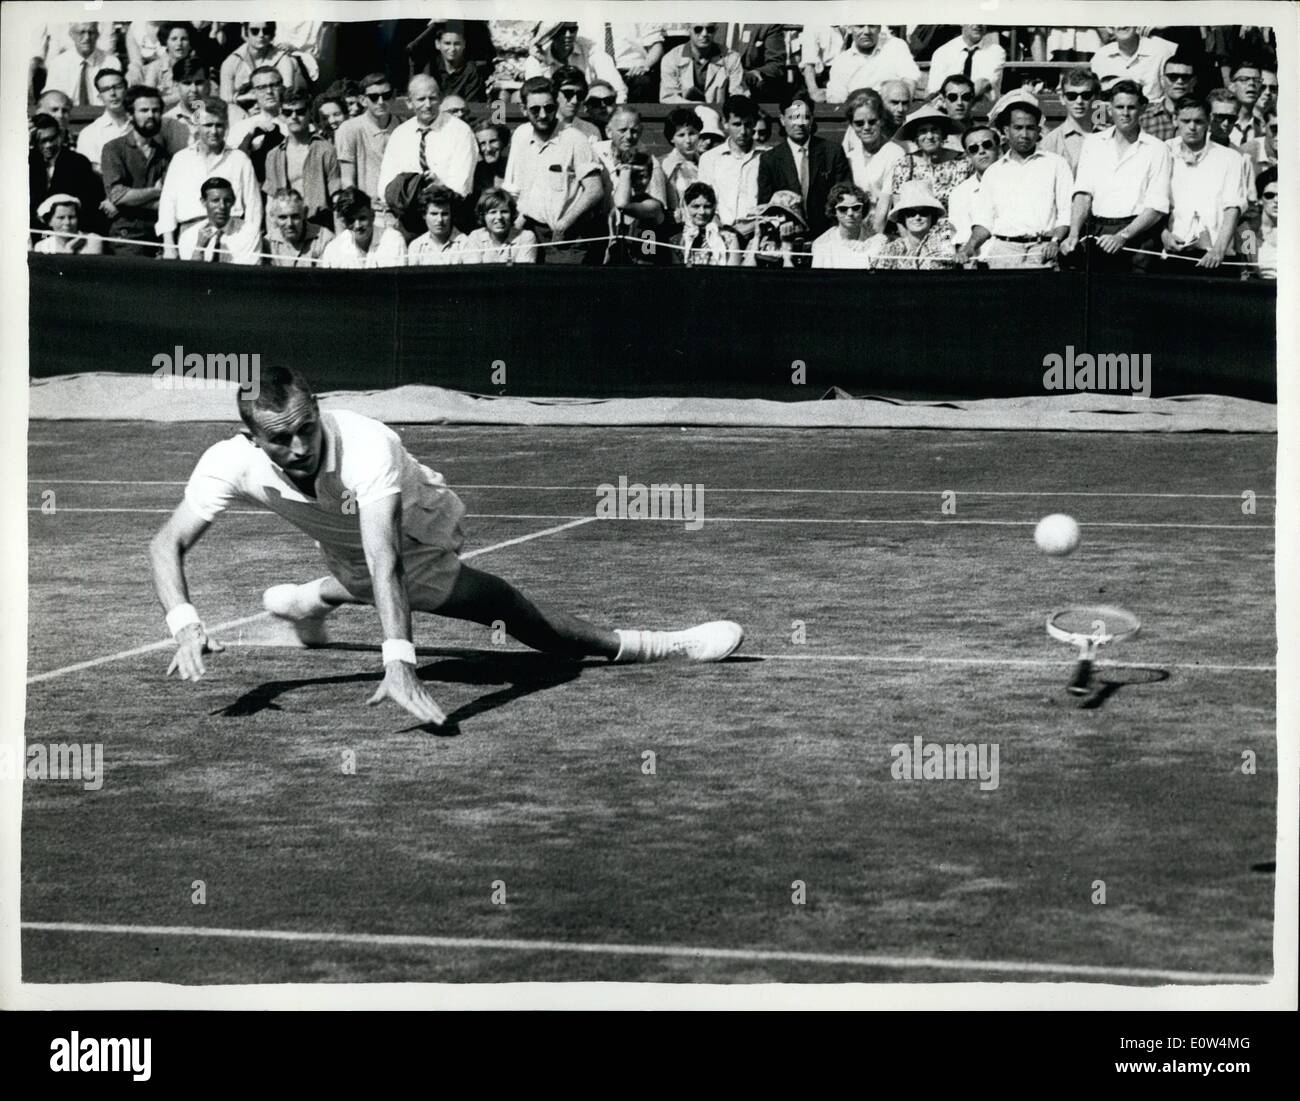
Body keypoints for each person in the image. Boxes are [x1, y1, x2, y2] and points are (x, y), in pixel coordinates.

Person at [151, 367, 744, 725]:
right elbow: (164, 545)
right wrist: (184, 623)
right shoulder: (227, 463)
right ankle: (311, 601)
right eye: (281, 439)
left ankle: (659, 646)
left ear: (319, 410)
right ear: (250, 439)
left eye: (308, 427)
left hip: (419, 521)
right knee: (443, 594)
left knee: (468, 599)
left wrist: (400, 664)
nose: (301, 446)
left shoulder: (365, 445)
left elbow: (387, 564)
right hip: (349, 543)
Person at [1061, 80, 1172, 273]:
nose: (1125, 113)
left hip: (1139, 235)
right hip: (1097, 231)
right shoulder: (1093, 143)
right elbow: (1083, 193)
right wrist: (1073, 233)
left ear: (1143, 108)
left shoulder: (1158, 149)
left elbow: (1157, 206)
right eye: (1119, 107)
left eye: (1131, 107)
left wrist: (1123, 236)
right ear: (1110, 109)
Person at [960, 94, 1073, 269]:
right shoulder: (994, 172)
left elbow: (1066, 213)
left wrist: (1054, 242)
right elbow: (984, 221)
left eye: (1030, 128)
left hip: (1042, 250)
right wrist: (969, 247)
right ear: (1006, 131)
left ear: (1038, 130)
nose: (1024, 134)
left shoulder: (1057, 164)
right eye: (1018, 127)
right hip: (1003, 251)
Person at [501, 77, 603, 264]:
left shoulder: (575, 139)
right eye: (535, 109)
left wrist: (564, 223)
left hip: (567, 237)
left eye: (548, 108)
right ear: (523, 109)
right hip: (530, 233)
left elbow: (595, 189)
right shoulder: (522, 139)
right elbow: (520, 191)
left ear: (556, 106)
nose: (542, 114)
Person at [157, 98, 262, 259]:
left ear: (226, 126)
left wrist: (249, 243)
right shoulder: (181, 159)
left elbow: (254, 207)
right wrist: (169, 247)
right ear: (197, 126)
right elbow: (167, 205)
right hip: (190, 235)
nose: (214, 131)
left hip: (233, 236)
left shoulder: (239, 159)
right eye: (208, 125)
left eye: (219, 125)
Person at [378, 74, 480, 240]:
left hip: (449, 220)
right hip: (410, 223)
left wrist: (437, 184)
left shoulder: (460, 131)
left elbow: (462, 186)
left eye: (433, 98)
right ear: (409, 103)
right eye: (421, 99)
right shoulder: (400, 134)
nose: (428, 105)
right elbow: (386, 185)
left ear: (440, 99)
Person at [1160, 98, 1249, 273]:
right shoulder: (1163, 151)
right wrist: (1164, 236)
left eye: (1198, 121)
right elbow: (1154, 200)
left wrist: (1219, 249)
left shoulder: (1230, 158)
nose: (1192, 127)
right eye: (1186, 121)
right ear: (1174, 120)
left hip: (1216, 256)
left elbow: (1233, 208)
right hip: (1173, 251)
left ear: (1208, 121)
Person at [757, 89, 852, 237]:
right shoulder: (770, 159)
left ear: (812, 119)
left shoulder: (832, 152)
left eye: (805, 117)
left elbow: (843, 196)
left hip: (828, 235)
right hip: (785, 237)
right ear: (782, 120)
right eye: (793, 117)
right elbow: (765, 206)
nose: (800, 123)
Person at [100, 85, 174, 256]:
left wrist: (126, 203)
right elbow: (118, 195)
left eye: (155, 110)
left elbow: (168, 202)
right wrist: (156, 191)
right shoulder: (114, 149)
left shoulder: (164, 155)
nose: (151, 115)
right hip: (127, 236)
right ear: (129, 114)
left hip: (157, 234)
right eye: (144, 110)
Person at [875, 104, 970, 232]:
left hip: (957, 231)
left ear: (943, 134)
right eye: (923, 131)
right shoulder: (904, 165)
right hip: (917, 234)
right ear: (916, 137)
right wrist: (911, 245)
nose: (929, 136)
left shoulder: (963, 162)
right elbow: (900, 214)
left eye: (934, 130)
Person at [593, 107, 670, 258]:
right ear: (609, 131)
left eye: (634, 131)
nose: (629, 136)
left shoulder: (648, 162)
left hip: (640, 239)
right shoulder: (595, 152)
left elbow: (655, 212)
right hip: (600, 233)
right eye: (622, 130)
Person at [263, 91, 340, 236]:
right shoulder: (273, 155)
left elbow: (336, 199)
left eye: (300, 111)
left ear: (310, 113)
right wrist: (272, 238)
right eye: (288, 112)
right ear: (281, 114)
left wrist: (339, 238)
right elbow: (271, 204)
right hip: (287, 230)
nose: (294, 117)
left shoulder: (326, 150)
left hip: (320, 230)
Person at [334, 72, 400, 224]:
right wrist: (362, 205)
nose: (381, 101)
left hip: (398, 212)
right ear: (363, 100)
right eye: (374, 97)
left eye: (386, 95)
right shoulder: (349, 129)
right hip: (367, 213)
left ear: (394, 96)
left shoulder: (402, 127)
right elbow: (347, 179)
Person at [698, 94, 762, 240]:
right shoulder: (709, 159)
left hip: (757, 235)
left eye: (748, 124)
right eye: (737, 124)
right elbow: (704, 199)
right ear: (725, 123)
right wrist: (719, 230)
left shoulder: (767, 157)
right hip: (718, 235)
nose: (743, 131)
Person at [29, 113, 105, 236]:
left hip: (70, 233)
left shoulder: (78, 162)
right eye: (42, 141)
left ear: (60, 135)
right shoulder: (26, 161)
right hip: (33, 234)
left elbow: (88, 205)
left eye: (52, 138)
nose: (48, 145)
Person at [525, 22, 626, 101]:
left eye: (572, 29)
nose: (568, 35)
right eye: (562, 30)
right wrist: (543, 64)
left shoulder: (590, 49)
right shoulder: (535, 59)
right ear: (551, 34)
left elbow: (617, 88)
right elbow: (535, 95)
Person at [871, 179, 957, 269]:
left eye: (924, 212)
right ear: (903, 217)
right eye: (911, 213)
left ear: (932, 216)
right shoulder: (890, 250)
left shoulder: (943, 247)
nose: (917, 217)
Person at [177, 176, 263, 263]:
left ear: (233, 201)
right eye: (215, 201)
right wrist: (199, 249)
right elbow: (189, 275)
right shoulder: (189, 236)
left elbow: (247, 274)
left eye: (227, 200)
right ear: (203, 202)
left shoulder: (248, 232)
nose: (222, 206)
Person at [576, 20, 665, 103]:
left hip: (631, 72)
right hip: (598, 73)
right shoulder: (585, 16)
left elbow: (656, 46)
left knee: (643, 82)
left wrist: (645, 66)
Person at [826, 25, 920, 103]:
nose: (867, 31)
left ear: (879, 27)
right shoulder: (842, 60)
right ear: (850, 28)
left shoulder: (895, 46)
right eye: (860, 26)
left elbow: (909, 81)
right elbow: (836, 96)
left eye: (872, 26)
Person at [840, 88, 904, 203]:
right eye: (859, 123)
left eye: (872, 121)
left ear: (881, 120)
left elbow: (891, 202)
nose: (866, 128)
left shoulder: (895, 154)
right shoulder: (851, 155)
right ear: (851, 125)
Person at [659, 22, 746, 105]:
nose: (704, 34)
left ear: (716, 30)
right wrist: (698, 107)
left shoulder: (731, 58)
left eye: (710, 29)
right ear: (688, 29)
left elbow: (739, 96)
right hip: (684, 113)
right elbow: (668, 97)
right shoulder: (671, 58)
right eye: (698, 29)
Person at [321, 187, 408, 268]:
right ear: (344, 222)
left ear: (372, 215)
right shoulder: (334, 250)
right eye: (351, 221)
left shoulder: (393, 241)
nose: (357, 226)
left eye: (362, 218)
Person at [220, 22, 298, 108]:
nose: (261, 35)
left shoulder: (283, 59)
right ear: (246, 33)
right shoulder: (232, 61)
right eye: (255, 31)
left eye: (266, 31)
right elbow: (224, 100)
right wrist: (245, 98)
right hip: (241, 111)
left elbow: (286, 94)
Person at [165, 58, 246, 141]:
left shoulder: (233, 115)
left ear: (208, 83)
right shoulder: (166, 123)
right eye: (187, 83)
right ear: (175, 84)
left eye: (199, 83)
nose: (193, 89)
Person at [1088, 26, 1176, 103]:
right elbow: (1097, 100)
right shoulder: (1100, 57)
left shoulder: (1161, 51)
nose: (1123, 25)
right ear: (1109, 28)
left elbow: (1172, 93)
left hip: (1152, 115)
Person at [946, 122, 998, 250]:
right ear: (968, 155)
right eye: (974, 149)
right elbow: (960, 235)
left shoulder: (1017, 181)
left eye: (987, 145)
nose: (981, 151)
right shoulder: (960, 193)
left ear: (999, 147)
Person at [44, 23, 122, 106]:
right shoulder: (58, 64)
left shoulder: (111, 62)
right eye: (81, 32)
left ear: (97, 35)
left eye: (91, 32)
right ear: (72, 35)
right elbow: (51, 98)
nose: (87, 38)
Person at [925, 24, 1003, 103]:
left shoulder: (995, 51)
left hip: (982, 110)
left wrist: (961, 104)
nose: (978, 24)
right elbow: (935, 89)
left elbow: (983, 83)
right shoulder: (942, 52)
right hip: (947, 109)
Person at [1041, 68, 1099, 173]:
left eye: (1086, 96)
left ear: (1095, 97)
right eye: (1071, 96)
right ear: (1062, 98)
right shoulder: (1050, 143)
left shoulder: (1109, 135)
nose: (1079, 101)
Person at [460, 188, 538, 265]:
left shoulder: (525, 237)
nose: (499, 217)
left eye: (504, 212)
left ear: (512, 214)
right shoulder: (476, 237)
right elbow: (474, 273)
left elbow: (523, 273)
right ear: (483, 215)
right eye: (493, 212)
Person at [811, 182, 879, 268]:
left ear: (863, 209)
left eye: (856, 208)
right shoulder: (822, 245)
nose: (850, 213)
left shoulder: (876, 242)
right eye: (843, 209)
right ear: (834, 212)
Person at [670, 182, 740, 265]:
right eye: (696, 206)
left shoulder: (729, 239)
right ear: (686, 207)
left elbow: (733, 274)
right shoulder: (677, 241)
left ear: (714, 208)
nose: (702, 212)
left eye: (707, 207)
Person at [266, 187, 334, 266]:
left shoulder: (325, 240)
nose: (289, 223)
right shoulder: (267, 243)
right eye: (283, 217)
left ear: (305, 213)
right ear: (273, 217)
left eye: (295, 217)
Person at [744, 189, 810, 268]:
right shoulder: (762, 239)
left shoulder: (801, 244)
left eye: (781, 216)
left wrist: (787, 251)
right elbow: (746, 271)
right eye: (773, 214)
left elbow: (792, 278)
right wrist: (756, 238)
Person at [422, 20, 485, 102]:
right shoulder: (431, 67)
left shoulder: (471, 70)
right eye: (447, 43)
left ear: (464, 44)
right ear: (437, 44)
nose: (452, 49)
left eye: (457, 44)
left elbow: (471, 103)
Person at [1140, 52, 1198, 142]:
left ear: (1194, 81)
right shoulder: (1144, 119)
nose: (1179, 81)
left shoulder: (1204, 119)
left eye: (1185, 77)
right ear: (1163, 80)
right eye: (1173, 77)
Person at [661, 107, 702, 221]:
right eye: (681, 135)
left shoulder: (705, 162)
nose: (688, 140)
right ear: (672, 139)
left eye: (692, 133)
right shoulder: (665, 165)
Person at [407, 185, 465, 265]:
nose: (440, 220)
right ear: (424, 215)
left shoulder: (466, 243)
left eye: (444, 214)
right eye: (434, 214)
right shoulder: (416, 246)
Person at [141, 21, 194, 108]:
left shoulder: (198, 67)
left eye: (184, 39)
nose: (179, 44)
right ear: (166, 42)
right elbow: (148, 99)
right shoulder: (155, 67)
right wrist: (182, 96)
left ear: (190, 43)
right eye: (174, 39)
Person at [32, 194, 103, 255]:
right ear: (49, 222)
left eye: (72, 217)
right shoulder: (41, 246)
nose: (67, 222)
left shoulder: (92, 240)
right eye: (61, 218)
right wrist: (69, 249)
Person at [552, 67, 600, 144]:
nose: (575, 101)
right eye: (568, 93)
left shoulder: (591, 131)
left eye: (580, 95)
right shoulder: (542, 129)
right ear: (555, 94)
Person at [1228, 60, 1266, 149]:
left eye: (1257, 80)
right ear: (1231, 86)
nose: (1251, 83)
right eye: (1244, 80)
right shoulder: (1218, 124)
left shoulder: (1263, 128)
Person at [1249, 166, 1277, 279]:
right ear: (1260, 199)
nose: (1277, 200)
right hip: (1261, 291)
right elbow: (1246, 271)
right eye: (1269, 195)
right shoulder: (1248, 232)